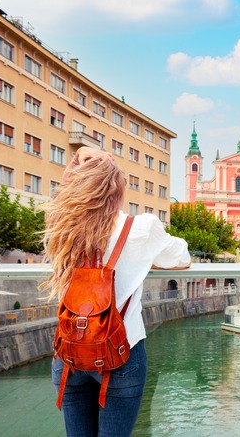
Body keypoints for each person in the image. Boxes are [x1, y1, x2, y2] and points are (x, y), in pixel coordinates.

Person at [41, 147, 190, 436]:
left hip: (69, 352)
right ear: (119, 192)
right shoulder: (141, 229)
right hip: (121, 354)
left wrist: (75, 163)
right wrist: (145, 259)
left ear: (78, 187)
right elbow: (182, 257)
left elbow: (61, 197)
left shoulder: (62, 226)